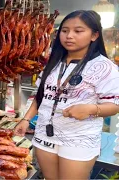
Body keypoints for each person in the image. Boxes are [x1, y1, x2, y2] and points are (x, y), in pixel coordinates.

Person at [14, 10, 119, 179]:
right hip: (44, 135)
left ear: (94, 35)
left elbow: (114, 105)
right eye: (64, 30)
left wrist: (91, 109)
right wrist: (26, 119)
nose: (69, 36)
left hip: (78, 139)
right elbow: (40, 95)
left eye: (78, 31)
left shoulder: (104, 67)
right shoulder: (53, 61)